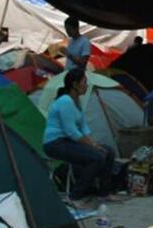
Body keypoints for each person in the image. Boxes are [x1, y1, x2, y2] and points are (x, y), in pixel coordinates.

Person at [43, 68, 122, 202]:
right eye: (84, 82)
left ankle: (104, 193)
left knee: (109, 151)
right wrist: (93, 146)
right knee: (96, 158)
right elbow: (71, 131)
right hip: (55, 144)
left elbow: (83, 127)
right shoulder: (65, 101)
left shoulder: (77, 102)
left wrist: (94, 144)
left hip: (67, 142)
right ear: (75, 84)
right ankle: (75, 196)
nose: (86, 85)